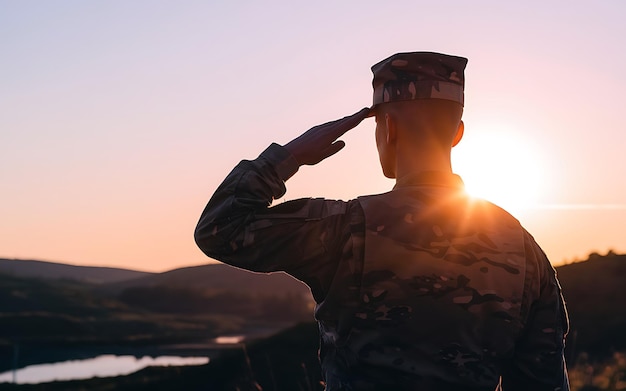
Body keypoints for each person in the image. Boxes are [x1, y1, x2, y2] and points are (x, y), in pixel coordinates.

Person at [195, 52, 570, 390]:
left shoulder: (343, 228)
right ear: (457, 134)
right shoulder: (523, 249)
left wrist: (287, 157)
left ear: (387, 129)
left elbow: (221, 229)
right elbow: (543, 380)